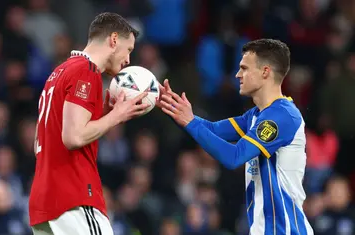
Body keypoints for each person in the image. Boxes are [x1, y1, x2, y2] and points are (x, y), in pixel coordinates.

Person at [159, 39, 314, 234]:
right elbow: (213, 130)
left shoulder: (282, 116)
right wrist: (174, 108)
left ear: (265, 72)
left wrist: (189, 121)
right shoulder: (257, 114)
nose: (237, 74)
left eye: (244, 68)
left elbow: (234, 157)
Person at [29, 12, 150, 235]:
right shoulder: (87, 71)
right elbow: (73, 137)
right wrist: (117, 116)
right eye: (129, 50)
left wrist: (103, 113)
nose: (128, 60)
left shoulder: (60, 72)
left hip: (45, 202)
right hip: (73, 198)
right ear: (114, 40)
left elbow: (48, 134)